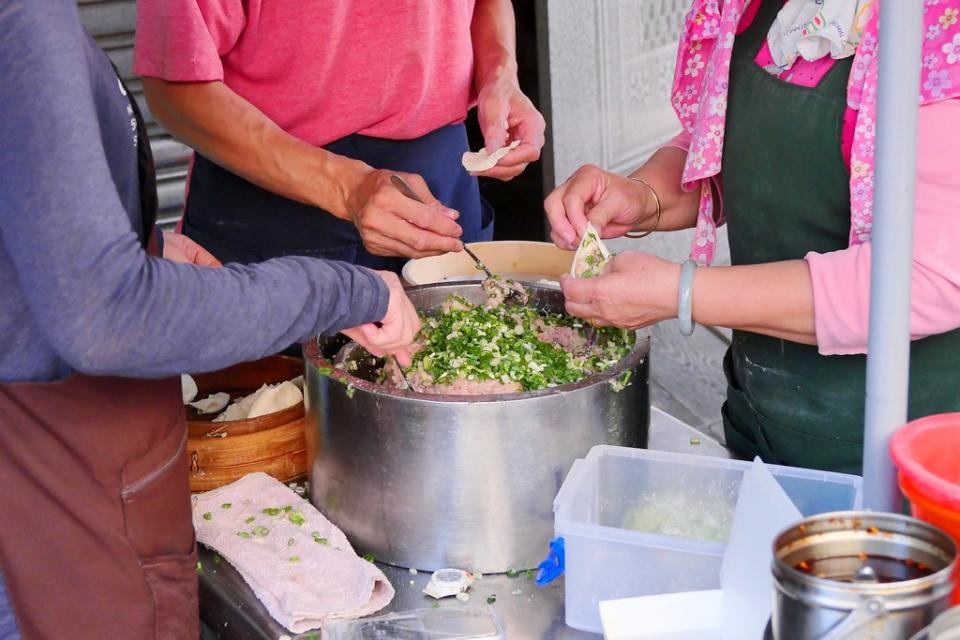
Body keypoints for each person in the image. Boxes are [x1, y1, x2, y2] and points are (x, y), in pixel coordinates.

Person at [0, 1, 420, 637]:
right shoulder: (23, 22)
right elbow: (107, 318)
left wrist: (137, 245)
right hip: (47, 504)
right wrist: (347, 290)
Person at [546, 0, 960, 474]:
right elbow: (736, 149)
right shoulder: (764, 8)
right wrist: (643, 195)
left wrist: (682, 292)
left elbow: (921, 278)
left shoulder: (940, 35)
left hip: (900, 449)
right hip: (761, 412)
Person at [133, 0, 546, 271]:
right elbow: (174, 90)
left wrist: (500, 75)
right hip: (272, 197)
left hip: (442, 181)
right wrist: (345, 188)